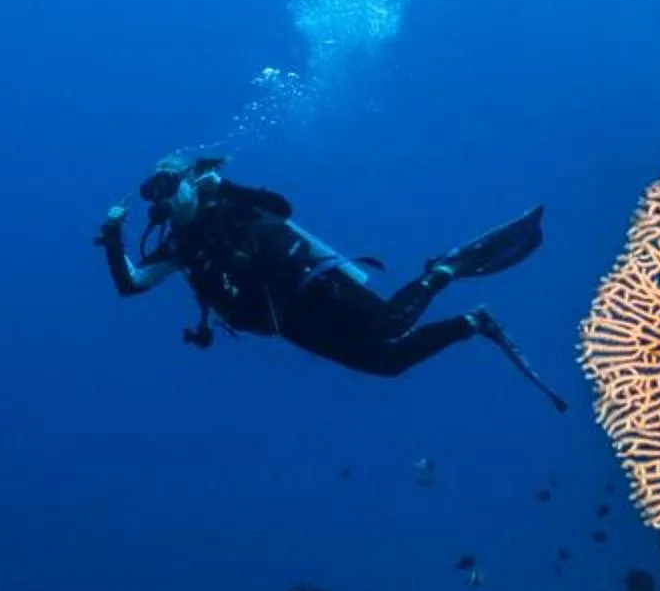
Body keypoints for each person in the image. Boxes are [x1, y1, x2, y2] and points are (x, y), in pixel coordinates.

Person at [96, 154, 567, 410]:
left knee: (386, 325)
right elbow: (132, 283)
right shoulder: (178, 246)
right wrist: (115, 238)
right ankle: (473, 322)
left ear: (188, 180)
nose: (162, 196)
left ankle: (444, 270)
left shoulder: (226, 204)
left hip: (311, 284)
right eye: (152, 191)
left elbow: (282, 208)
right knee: (386, 364)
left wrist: (226, 187)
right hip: (283, 322)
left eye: (167, 183)